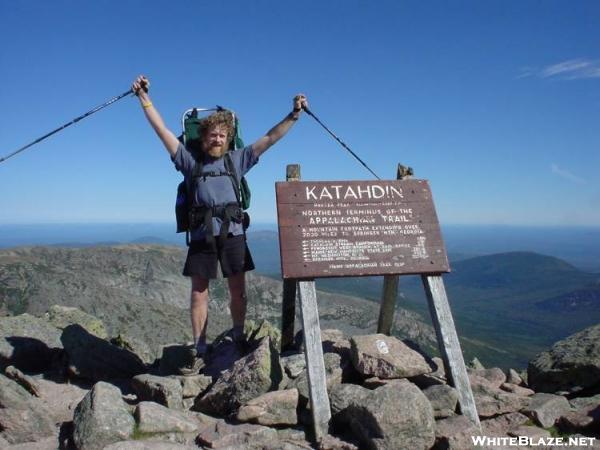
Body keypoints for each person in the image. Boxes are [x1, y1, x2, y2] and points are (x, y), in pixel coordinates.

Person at [131, 75, 307, 374]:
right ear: (204, 137)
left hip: (234, 234)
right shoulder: (189, 161)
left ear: (229, 138)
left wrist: (294, 114)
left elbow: (270, 138)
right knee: (199, 292)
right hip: (202, 235)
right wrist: (144, 99)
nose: (217, 138)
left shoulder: (237, 160)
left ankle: (238, 338)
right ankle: (200, 348)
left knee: (237, 289)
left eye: (223, 134)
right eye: (212, 134)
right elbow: (161, 130)